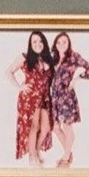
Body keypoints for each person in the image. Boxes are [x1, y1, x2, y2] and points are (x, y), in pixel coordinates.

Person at [48, 32, 89, 168]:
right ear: (55, 44)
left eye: (64, 42)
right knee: (55, 127)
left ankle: (65, 158)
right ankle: (68, 154)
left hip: (66, 97)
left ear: (69, 44)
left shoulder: (73, 57)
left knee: (67, 126)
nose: (61, 45)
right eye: (59, 42)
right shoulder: (54, 58)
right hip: (55, 98)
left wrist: (77, 78)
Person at [6, 31, 54, 167]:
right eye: (34, 42)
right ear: (30, 44)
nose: (37, 44)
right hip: (30, 98)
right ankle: (32, 158)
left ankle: (36, 151)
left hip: (44, 98)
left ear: (44, 43)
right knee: (34, 127)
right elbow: (8, 72)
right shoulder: (24, 57)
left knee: (46, 127)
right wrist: (19, 87)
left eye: (40, 41)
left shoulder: (48, 59)